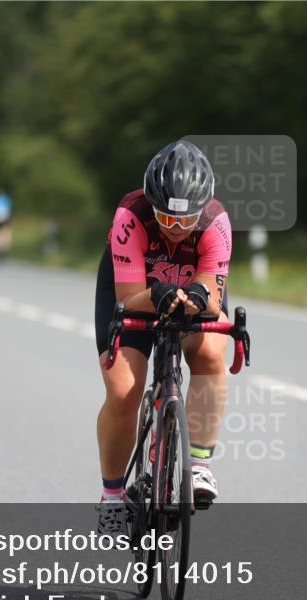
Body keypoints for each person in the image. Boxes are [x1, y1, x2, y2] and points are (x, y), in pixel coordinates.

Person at [93, 139, 232, 535]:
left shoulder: (216, 222)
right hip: (136, 291)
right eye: (165, 220)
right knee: (123, 391)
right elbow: (129, 298)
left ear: (201, 210)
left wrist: (200, 295)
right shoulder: (131, 216)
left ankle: (200, 464)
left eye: (184, 221)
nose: (174, 230)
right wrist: (157, 292)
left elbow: (210, 293)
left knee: (209, 355)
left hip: (192, 289)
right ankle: (113, 495)